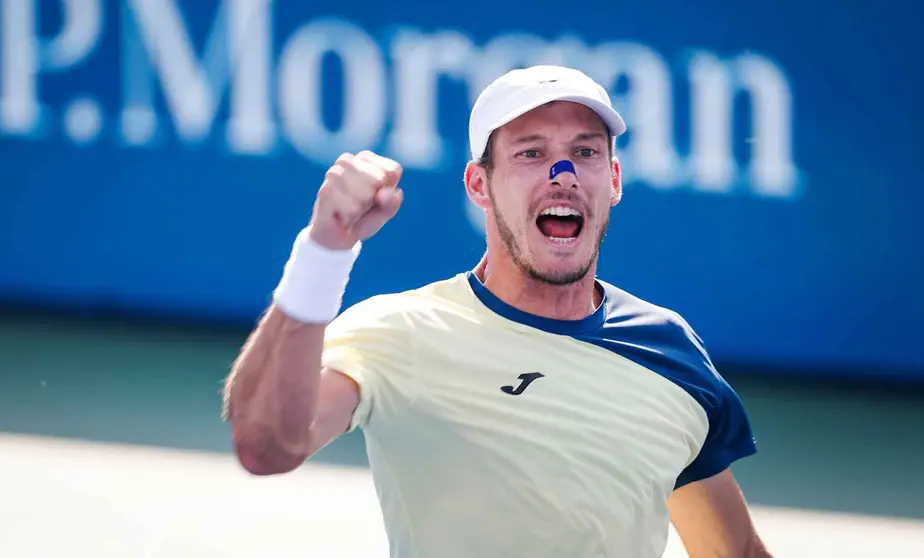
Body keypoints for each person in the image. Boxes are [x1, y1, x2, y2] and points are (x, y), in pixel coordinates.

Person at [222, 65, 771, 557]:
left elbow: (734, 551)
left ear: (614, 180)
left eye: (585, 152)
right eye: (531, 153)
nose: (563, 173)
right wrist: (323, 253)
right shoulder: (399, 332)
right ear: (479, 184)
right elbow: (268, 447)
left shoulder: (668, 350)